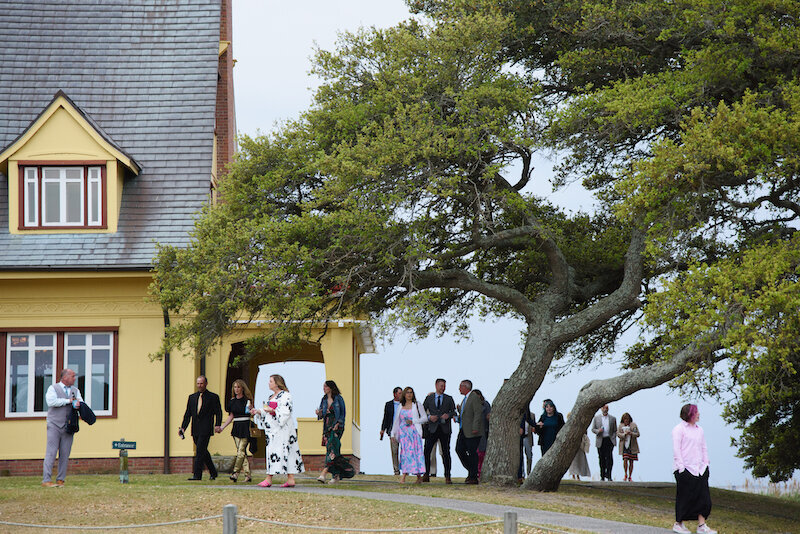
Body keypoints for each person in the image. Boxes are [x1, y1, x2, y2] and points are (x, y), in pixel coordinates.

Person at [250, 374, 304, 487]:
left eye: (270, 381)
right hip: (272, 431)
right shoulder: (271, 396)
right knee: (274, 452)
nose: (268, 383)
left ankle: (270, 478)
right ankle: (290, 479)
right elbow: (267, 411)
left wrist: (273, 411)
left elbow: (286, 411)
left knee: (283, 452)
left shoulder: (286, 396)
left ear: (277, 383)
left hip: (283, 431)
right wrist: (258, 411)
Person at [672, 404, 716, 534]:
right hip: (685, 469)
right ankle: (678, 523)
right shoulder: (679, 429)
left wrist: (706, 464)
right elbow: (677, 450)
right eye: (696, 412)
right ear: (690, 414)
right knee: (685, 498)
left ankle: (702, 525)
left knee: (704, 499)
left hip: (699, 469)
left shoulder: (699, 430)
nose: (698, 414)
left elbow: (703, 448)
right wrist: (681, 468)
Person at [42, 369, 83, 487]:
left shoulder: (76, 391)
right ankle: (46, 480)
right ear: (65, 377)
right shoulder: (53, 388)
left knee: (65, 454)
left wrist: (79, 405)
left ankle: (61, 479)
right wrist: (68, 401)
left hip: (69, 426)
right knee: (51, 452)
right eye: (72, 376)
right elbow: (51, 402)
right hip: (54, 424)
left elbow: (80, 401)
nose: (75, 378)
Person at [180, 375, 222, 481]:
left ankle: (197, 475)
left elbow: (218, 412)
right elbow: (187, 414)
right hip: (195, 429)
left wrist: (217, 424)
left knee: (199, 451)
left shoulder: (213, 397)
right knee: (203, 451)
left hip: (206, 428)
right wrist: (183, 428)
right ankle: (213, 472)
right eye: (198, 383)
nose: (199, 385)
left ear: (206, 384)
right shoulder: (192, 397)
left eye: (201, 383)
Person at [217, 379, 253, 483]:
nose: (236, 389)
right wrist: (222, 427)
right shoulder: (232, 401)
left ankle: (235, 473)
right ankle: (248, 475)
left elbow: (252, 412)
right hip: (236, 426)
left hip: (246, 426)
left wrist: (251, 409)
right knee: (241, 452)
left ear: (242, 388)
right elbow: (231, 416)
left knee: (241, 451)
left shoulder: (247, 400)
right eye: (235, 387)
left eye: (238, 387)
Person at [390, 386, 428, 483]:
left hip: (414, 433)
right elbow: (396, 421)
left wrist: (414, 421)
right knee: (406, 454)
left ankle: (419, 476)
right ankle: (403, 476)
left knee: (415, 453)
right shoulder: (400, 406)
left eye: (411, 392)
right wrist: (392, 434)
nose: (409, 394)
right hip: (404, 434)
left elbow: (424, 418)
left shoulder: (417, 404)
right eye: (407, 392)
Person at [421, 378, 456, 483]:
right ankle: (426, 473)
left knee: (446, 453)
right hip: (432, 429)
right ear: (436, 385)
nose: (443, 388)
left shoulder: (449, 399)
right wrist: (429, 417)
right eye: (441, 386)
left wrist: (448, 415)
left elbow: (453, 412)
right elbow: (422, 411)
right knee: (427, 452)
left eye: (444, 386)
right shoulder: (429, 398)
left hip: (444, 429)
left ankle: (447, 476)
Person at [315, 380, 346, 483]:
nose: (324, 388)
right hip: (327, 427)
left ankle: (324, 473)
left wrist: (338, 423)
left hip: (337, 427)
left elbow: (343, 413)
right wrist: (319, 413)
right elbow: (321, 414)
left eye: (325, 386)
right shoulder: (323, 400)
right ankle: (336, 476)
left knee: (331, 449)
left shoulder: (338, 399)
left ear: (331, 388)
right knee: (333, 450)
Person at [455, 379, 483, 484]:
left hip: (472, 431)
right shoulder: (465, 399)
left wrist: (475, 427)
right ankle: (472, 470)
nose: (459, 389)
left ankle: (473, 475)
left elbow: (477, 413)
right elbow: (467, 415)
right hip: (463, 430)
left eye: (460, 386)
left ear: (465, 387)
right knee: (459, 449)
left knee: (472, 453)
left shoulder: (474, 397)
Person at [591, 404, 617, 481]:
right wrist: (598, 431)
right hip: (600, 440)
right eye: (604, 408)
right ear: (601, 409)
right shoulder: (596, 418)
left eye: (606, 408)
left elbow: (615, 430)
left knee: (609, 458)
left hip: (609, 440)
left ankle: (609, 475)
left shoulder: (612, 418)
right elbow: (593, 429)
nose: (605, 409)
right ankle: (602, 476)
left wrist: (613, 438)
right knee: (601, 458)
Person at [380, 387, 403, 476]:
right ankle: (396, 470)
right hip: (392, 431)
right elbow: (385, 418)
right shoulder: (388, 404)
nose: (401, 395)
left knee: (404, 451)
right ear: (395, 394)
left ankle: (405, 470)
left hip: (403, 431)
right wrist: (382, 429)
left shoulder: (405, 404)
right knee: (394, 451)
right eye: (399, 393)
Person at [567, 412, 591, 480]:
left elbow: (585, 433)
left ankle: (578, 475)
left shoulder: (581, 424)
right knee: (572, 462)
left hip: (580, 445)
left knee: (580, 461)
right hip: (571, 446)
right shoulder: (568, 425)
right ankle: (573, 475)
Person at [617, 412, 640, 482]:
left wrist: (631, 433)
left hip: (632, 446)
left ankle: (630, 476)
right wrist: (624, 434)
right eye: (625, 420)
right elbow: (618, 434)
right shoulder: (620, 426)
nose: (626, 421)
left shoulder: (633, 425)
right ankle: (625, 474)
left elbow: (638, 434)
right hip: (624, 446)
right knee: (625, 459)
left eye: (627, 419)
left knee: (631, 461)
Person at [473, 389, 491, 478]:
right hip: (473, 432)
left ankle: (480, 473)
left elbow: (489, 416)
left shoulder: (485, 404)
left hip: (483, 431)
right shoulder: (471, 405)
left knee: (481, 454)